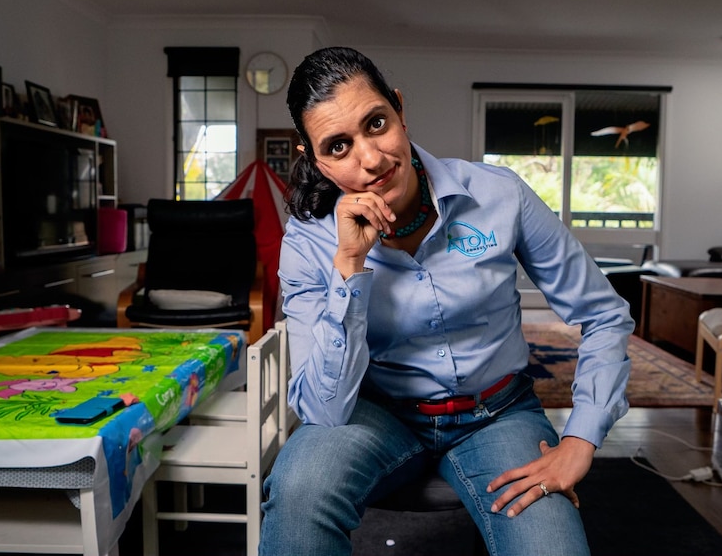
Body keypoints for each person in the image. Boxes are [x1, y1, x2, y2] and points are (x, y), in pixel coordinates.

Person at [260, 46, 634, 556]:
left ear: (399, 108)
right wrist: (349, 268)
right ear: (314, 158)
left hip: (500, 414)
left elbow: (603, 313)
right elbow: (324, 408)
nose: (370, 160)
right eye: (339, 146)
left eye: (376, 123)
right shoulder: (309, 240)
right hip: (376, 415)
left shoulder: (500, 194)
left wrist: (580, 439)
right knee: (298, 490)